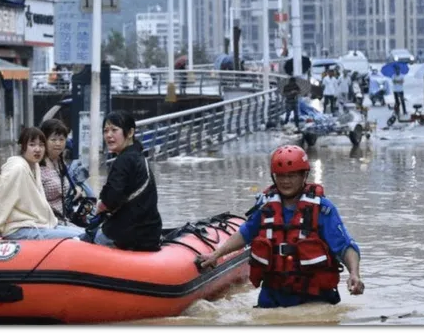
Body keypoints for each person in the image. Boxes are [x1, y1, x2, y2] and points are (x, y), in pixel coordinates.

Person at [197, 145, 364, 308]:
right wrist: (216, 255)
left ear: (303, 175)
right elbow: (245, 233)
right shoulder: (266, 207)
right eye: (281, 176)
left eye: (291, 176)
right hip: (273, 297)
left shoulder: (322, 209)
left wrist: (354, 275)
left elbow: (345, 246)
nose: (285, 181)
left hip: (315, 298)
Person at [81, 110, 162, 251]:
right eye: (105, 131)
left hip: (126, 235)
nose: (109, 135)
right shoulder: (138, 156)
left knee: (85, 241)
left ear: (130, 133)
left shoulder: (124, 160)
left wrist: (100, 206)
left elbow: (111, 198)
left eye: (114, 130)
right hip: (150, 233)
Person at [0, 127, 85, 240]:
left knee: (84, 232)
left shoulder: (34, 166)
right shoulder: (17, 169)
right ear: (22, 147)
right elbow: (1, 200)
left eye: (41, 145)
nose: (37, 149)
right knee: (81, 236)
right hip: (19, 229)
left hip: (39, 224)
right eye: (32, 145)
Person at [39, 119, 78, 225]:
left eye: (61, 139)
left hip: (64, 218)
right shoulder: (37, 166)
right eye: (53, 139)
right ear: (44, 140)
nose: (58, 143)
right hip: (47, 222)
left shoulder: (61, 162)